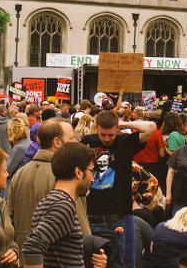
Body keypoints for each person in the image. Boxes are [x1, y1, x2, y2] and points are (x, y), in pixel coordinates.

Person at [80, 110, 156, 268]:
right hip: (91, 212)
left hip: (118, 213)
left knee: (121, 260)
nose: (107, 138)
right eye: (103, 135)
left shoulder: (124, 142)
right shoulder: (88, 141)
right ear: (96, 128)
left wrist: (123, 123)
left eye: (111, 135)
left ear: (117, 129)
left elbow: (151, 127)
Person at [20, 142, 108, 268]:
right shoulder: (63, 206)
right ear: (78, 172)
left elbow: (59, 249)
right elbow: (32, 247)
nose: (93, 178)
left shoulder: (50, 201)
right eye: (91, 171)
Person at [8, 118, 91, 239]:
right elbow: (81, 227)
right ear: (57, 142)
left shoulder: (20, 173)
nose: (76, 142)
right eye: (71, 138)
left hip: (25, 247)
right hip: (56, 249)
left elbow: (9, 219)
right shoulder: (65, 175)